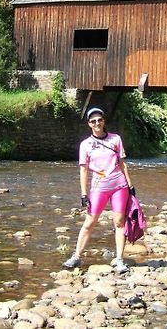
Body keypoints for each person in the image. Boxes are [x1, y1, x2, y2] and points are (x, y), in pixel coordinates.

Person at [63, 107, 135, 274]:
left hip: (119, 185)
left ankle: (119, 259)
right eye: (93, 121)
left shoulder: (115, 139)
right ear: (89, 124)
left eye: (99, 120)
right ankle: (76, 256)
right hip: (98, 188)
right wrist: (83, 193)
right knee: (90, 222)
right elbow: (83, 170)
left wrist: (130, 186)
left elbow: (122, 164)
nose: (97, 123)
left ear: (104, 121)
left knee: (119, 222)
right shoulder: (85, 145)